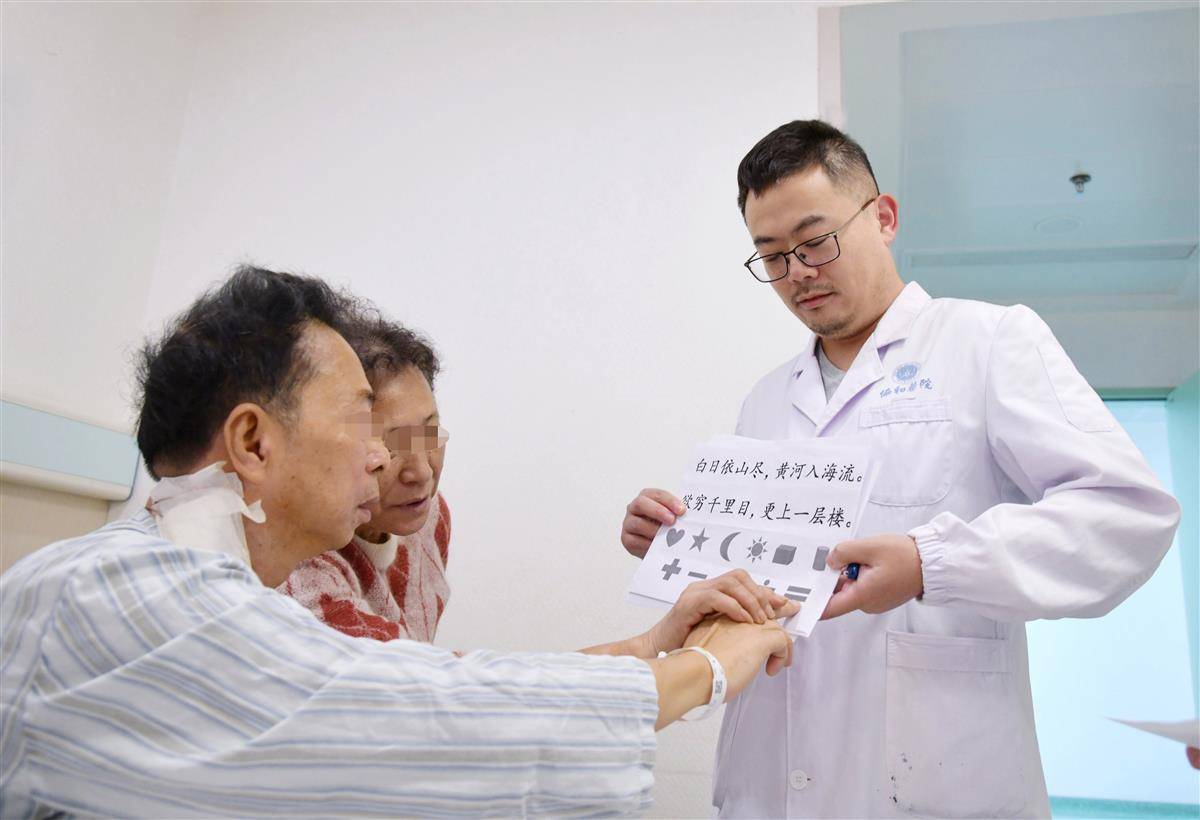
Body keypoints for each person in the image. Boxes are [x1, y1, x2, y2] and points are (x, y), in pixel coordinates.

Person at [0, 265, 796, 818]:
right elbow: (409, 711)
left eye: (427, 432)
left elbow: (419, 685)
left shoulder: (222, 584)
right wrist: (701, 670)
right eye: (361, 420)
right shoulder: (113, 590)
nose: (389, 461)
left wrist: (658, 645)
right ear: (253, 441)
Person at [620, 120, 1181, 817]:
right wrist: (681, 545)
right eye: (772, 256)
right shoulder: (765, 399)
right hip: (769, 779)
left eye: (815, 241)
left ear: (883, 217)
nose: (798, 273)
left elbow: (1125, 516)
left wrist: (930, 564)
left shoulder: (986, 341)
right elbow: (763, 577)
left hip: (935, 776)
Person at [280, 315, 452, 642]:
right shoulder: (301, 565)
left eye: (429, 432)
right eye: (390, 444)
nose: (422, 473)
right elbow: (394, 668)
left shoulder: (428, 517)